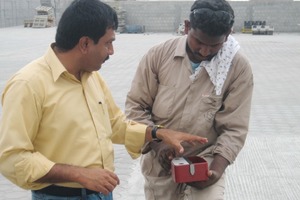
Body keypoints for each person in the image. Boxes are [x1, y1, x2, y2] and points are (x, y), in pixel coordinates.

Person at [0, 0, 208, 200]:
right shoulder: (28, 85)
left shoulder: (91, 77)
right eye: (108, 43)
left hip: (100, 193)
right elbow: (13, 158)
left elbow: (115, 125)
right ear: (84, 44)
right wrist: (78, 174)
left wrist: (156, 132)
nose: (111, 51)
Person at [125, 0, 254, 199]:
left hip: (206, 160)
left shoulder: (238, 69)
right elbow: (136, 107)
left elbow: (234, 129)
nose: (204, 51)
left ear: (228, 35)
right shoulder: (158, 56)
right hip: (160, 163)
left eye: (214, 45)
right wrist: (160, 145)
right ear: (187, 27)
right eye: (199, 42)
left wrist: (216, 170)